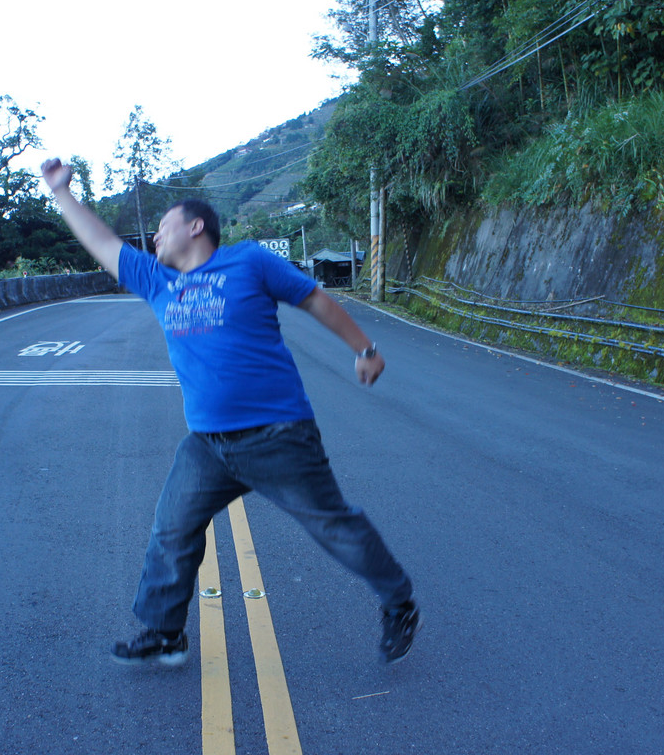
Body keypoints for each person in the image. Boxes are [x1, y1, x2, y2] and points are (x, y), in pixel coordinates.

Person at [40, 157, 419, 665]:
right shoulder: (157, 281)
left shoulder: (249, 262)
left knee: (332, 525)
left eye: (163, 226)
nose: (154, 236)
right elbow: (103, 243)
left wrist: (364, 349)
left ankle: (399, 602)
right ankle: (165, 631)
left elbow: (314, 299)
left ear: (196, 226)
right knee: (171, 530)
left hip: (278, 434)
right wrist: (62, 193)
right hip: (207, 444)